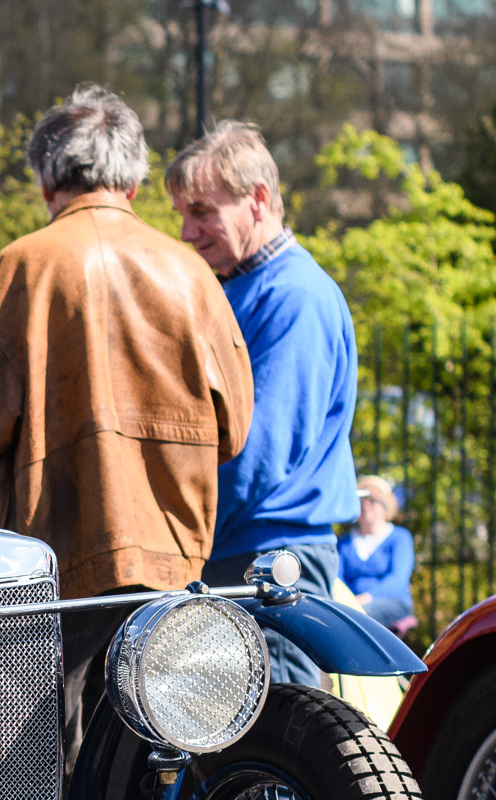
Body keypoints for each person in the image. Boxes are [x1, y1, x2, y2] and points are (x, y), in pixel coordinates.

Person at [0, 85, 253, 765]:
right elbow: (235, 427)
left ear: (47, 179)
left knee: (46, 773)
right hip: (171, 562)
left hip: (50, 574)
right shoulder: (191, 273)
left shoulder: (21, 267)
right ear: (133, 180)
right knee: (157, 763)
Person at [167, 120, 361, 685]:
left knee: (275, 750)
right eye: (182, 214)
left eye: (202, 211)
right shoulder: (244, 286)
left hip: (269, 560)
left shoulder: (295, 296)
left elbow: (258, 450)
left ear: (257, 200)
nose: (186, 231)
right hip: (244, 552)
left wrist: (177, 536)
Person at [339, 475, 416, 632]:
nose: (366, 505)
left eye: (372, 500)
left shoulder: (400, 537)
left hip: (390, 602)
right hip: (349, 604)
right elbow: (338, 579)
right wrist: (347, 600)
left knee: (357, 617)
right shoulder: (344, 542)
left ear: (385, 506)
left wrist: (365, 598)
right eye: (362, 501)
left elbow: (398, 580)